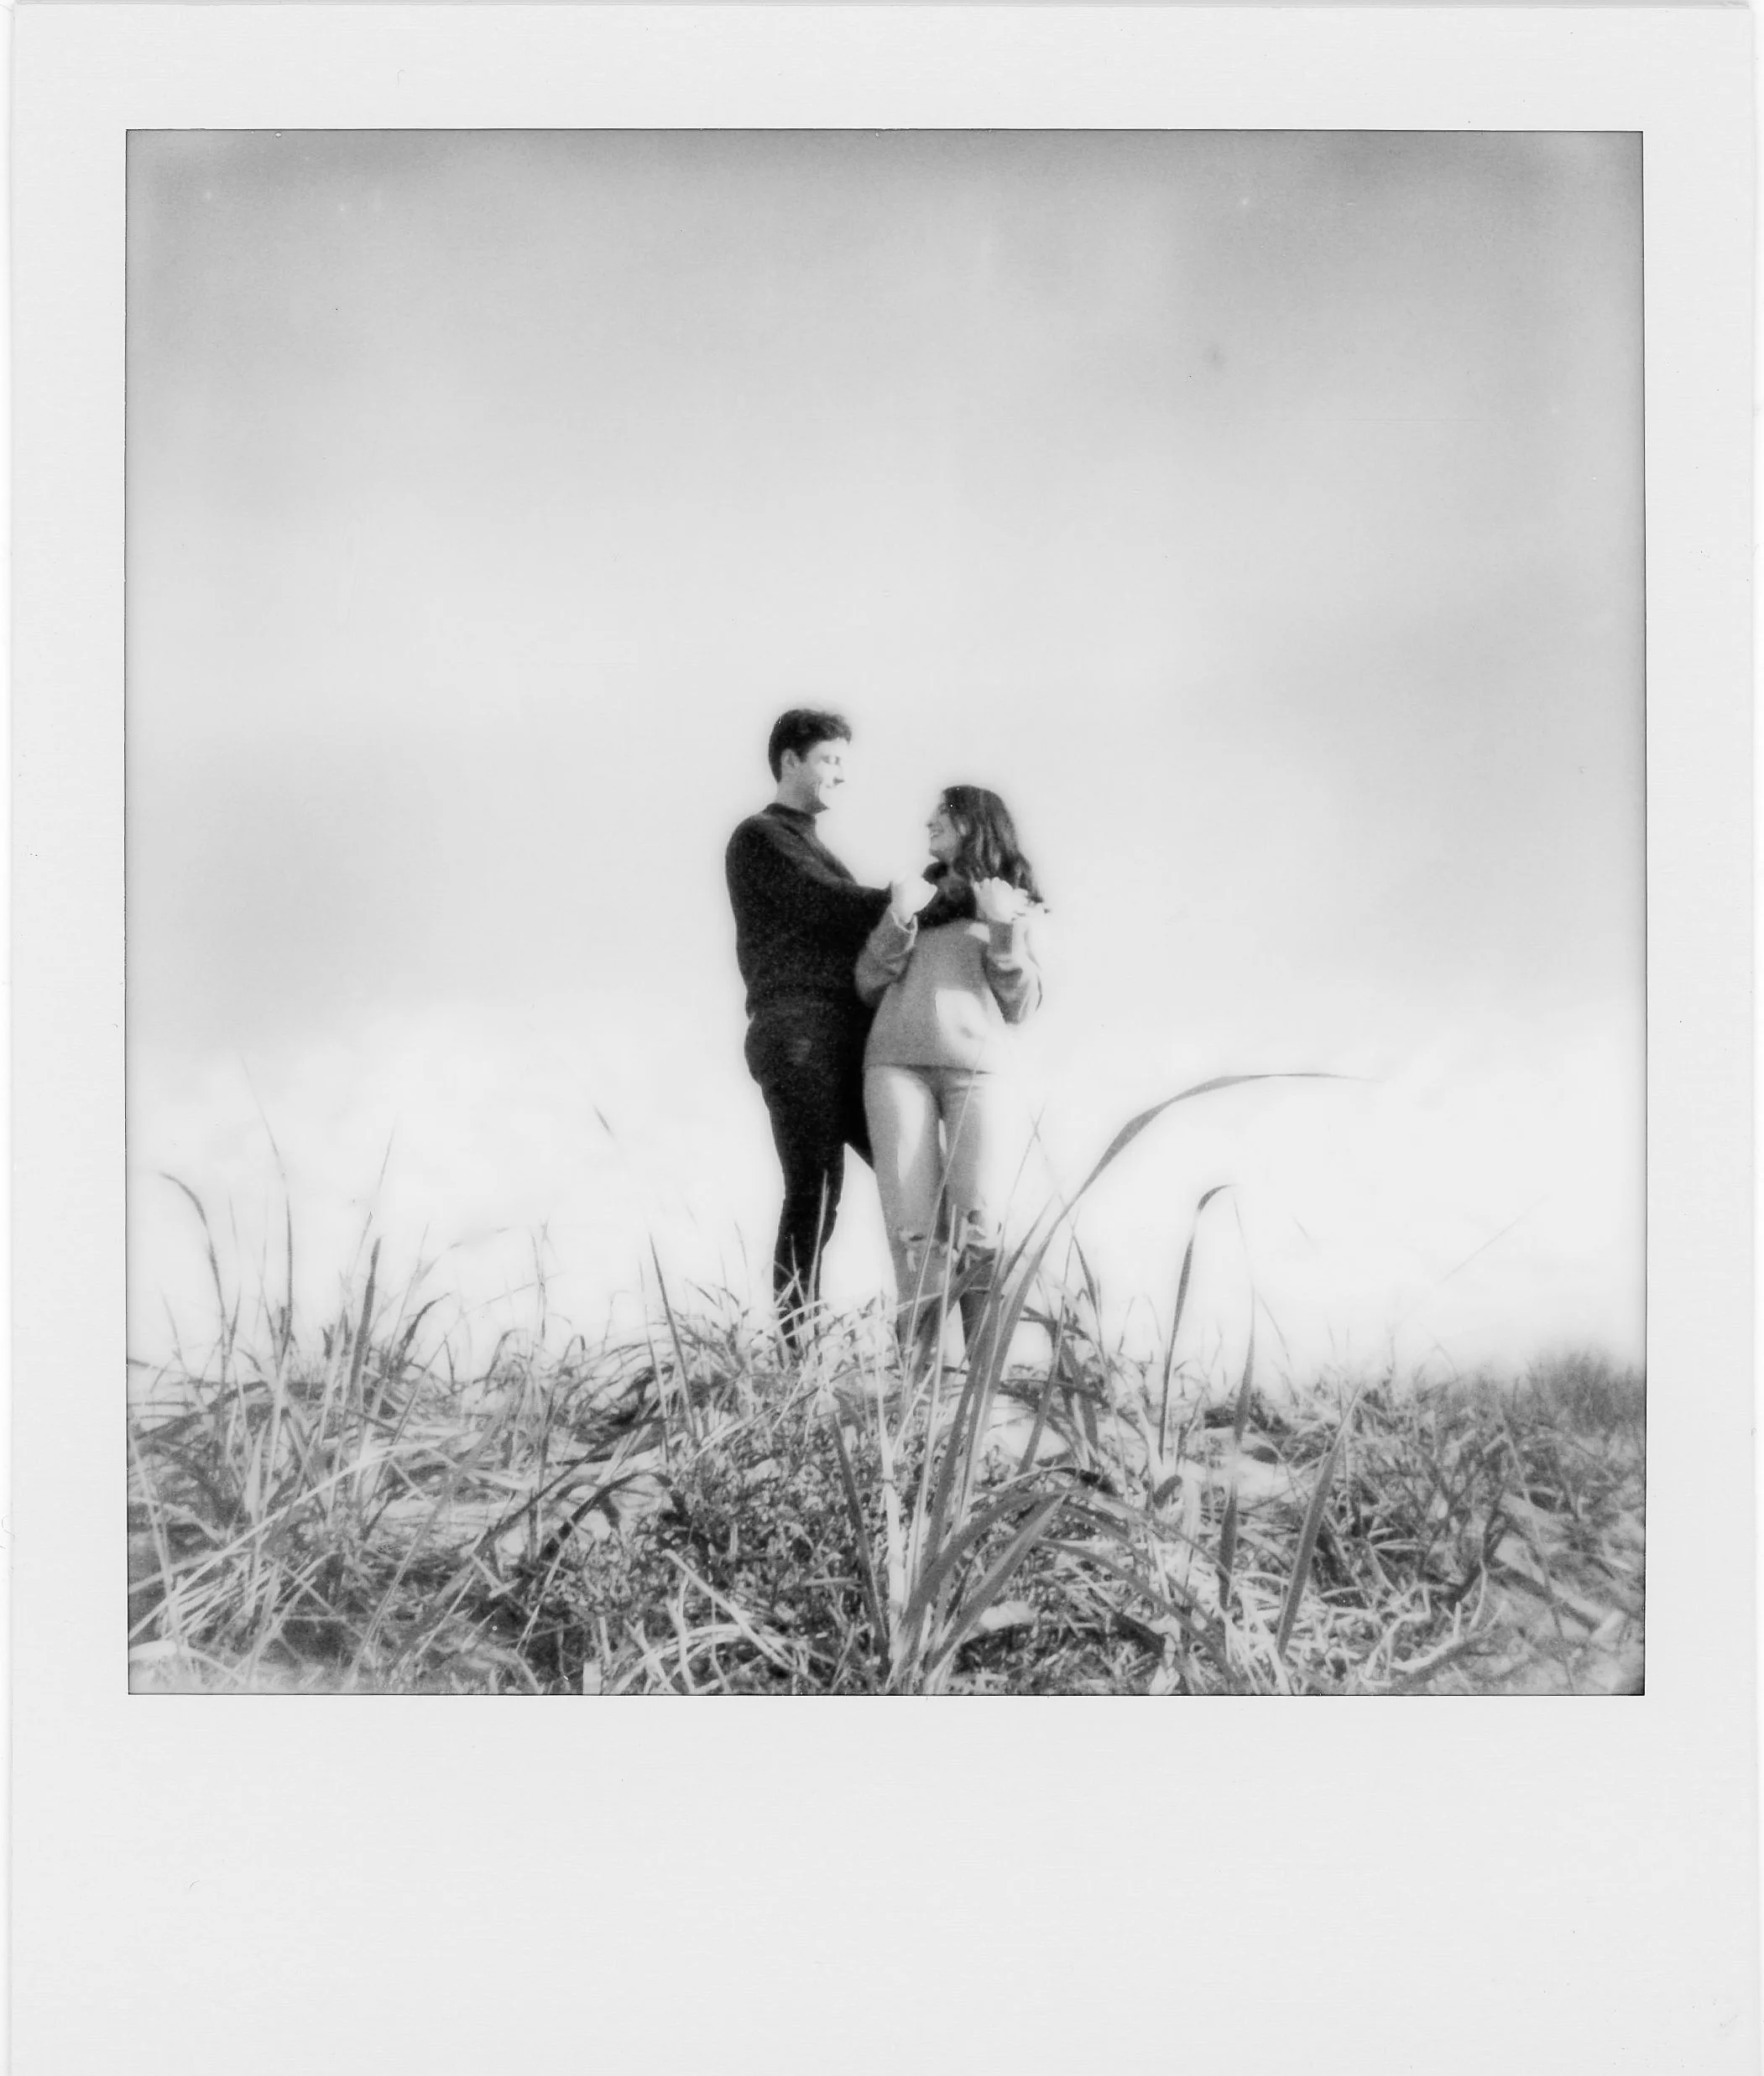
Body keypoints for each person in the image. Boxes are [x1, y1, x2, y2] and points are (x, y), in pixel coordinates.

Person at [726, 709, 932, 1347]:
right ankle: (799, 1356)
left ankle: (934, 1346)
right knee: (814, 1189)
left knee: (919, 1181)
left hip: (843, 1040)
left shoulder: (815, 846)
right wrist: (914, 901)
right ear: (790, 760)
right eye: (829, 760)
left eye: (845, 762)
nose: (841, 774)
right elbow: (828, 907)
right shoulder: (761, 837)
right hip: (798, 1032)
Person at [855, 785, 1046, 1373]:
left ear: (974, 822)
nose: (929, 821)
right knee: (913, 1232)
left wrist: (1002, 928)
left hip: (979, 1072)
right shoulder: (915, 895)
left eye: (943, 812)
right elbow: (867, 982)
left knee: (979, 1223)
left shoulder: (1012, 901)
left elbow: (1021, 1004)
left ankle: (985, 1385)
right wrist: (899, 917)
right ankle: (921, 1381)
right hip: (895, 1067)